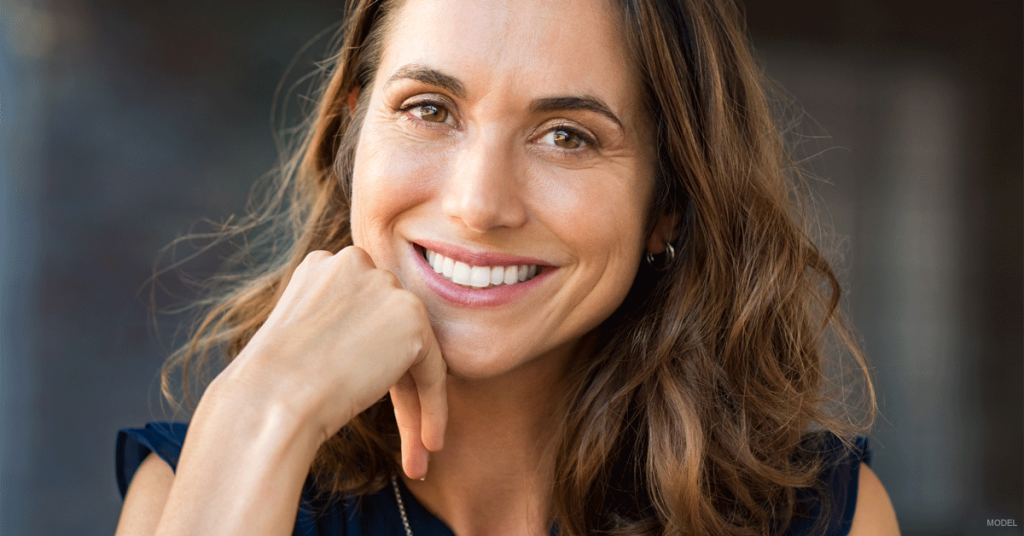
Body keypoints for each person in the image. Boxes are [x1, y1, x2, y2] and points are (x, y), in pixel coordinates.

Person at [113, 0, 901, 534]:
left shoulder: (818, 516)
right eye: (429, 109)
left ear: (667, 201)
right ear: (355, 135)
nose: (480, 204)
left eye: (567, 135)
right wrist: (264, 407)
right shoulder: (204, 482)